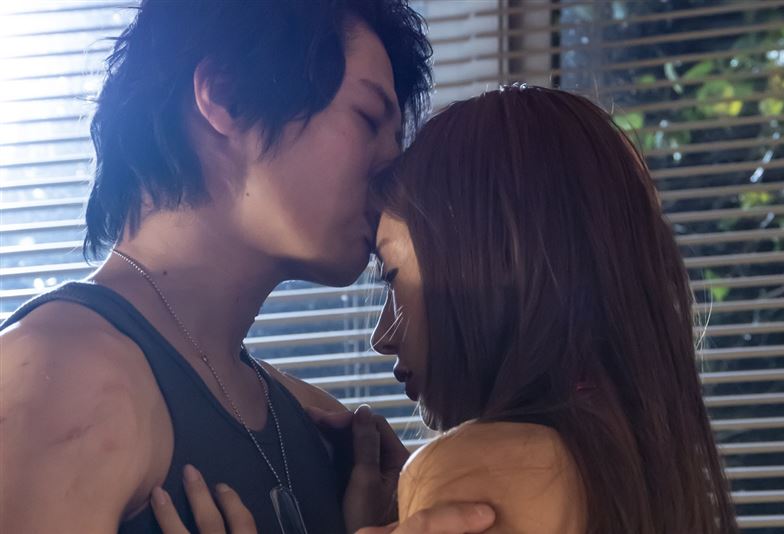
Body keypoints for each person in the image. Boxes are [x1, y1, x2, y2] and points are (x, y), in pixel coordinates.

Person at [0, 1, 495, 533]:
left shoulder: (321, 428)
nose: (390, 170)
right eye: (368, 119)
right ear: (227, 96)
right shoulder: (60, 376)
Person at [155, 85, 739, 533]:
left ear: (490, 261)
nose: (382, 336)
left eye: (393, 276)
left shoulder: (480, 467)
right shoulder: (642, 464)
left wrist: (438, 480)